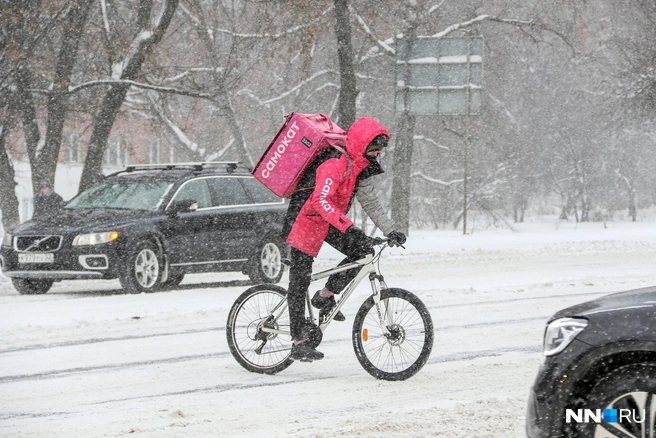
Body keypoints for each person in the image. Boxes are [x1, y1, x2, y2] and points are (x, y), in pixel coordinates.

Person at [282, 117, 407, 362]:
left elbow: (371, 202)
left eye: (380, 150)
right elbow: (320, 201)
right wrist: (348, 227)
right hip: (305, 220)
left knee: (363, 252)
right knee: (300, 280)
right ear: (361, 145)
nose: (377, 154)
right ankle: (298, 341)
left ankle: (326, 295)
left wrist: (391, 230)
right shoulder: (334, 163)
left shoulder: (361, 167)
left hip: (328, 221)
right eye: (373, 149)